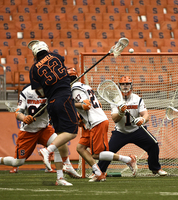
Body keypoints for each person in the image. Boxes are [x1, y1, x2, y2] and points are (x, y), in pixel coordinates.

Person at [0, 84, 79, 185]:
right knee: (17, 162)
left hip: (44, 128)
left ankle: (60, 178)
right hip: (28, 131)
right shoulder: (26, 91)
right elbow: (17, 112)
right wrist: (24, 118)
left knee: (58, 145)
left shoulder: (51, 90)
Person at [67, 68, 137, 182]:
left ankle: (128, 160)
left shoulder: (75, 89)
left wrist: (71, 104)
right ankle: (98, 172)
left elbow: (86, 105)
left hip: (96, 122)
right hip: (92, 123)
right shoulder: (85, 87)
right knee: (80, 148)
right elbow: (97, 103)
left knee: (96, 154)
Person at [98, 76, 167, 176]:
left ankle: (155, 168)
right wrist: (121, 113)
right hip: (120, 132)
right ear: (119, 86)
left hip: (136, 130)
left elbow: (146, 115)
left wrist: (142, 119)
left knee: (153, 144)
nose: (125, 86)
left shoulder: (137, 99)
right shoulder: (115, 100)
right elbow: (115, 119)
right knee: (108, 152)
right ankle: (100, 171)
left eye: (127, 84)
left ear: (131, 85)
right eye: (123, 84)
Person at [28, 40, 79, 171]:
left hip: (51, 102)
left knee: (60, 135)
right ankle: (47, 150)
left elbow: (41, 92)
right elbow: (61, 70)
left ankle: (63, 172)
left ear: (35, 54)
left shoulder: (33, 69)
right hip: (64, 97)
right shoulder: (56, 56)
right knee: (72, 132)